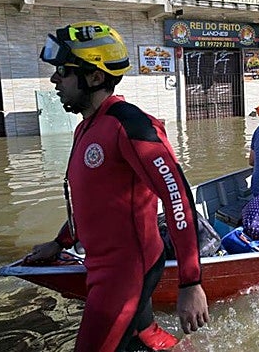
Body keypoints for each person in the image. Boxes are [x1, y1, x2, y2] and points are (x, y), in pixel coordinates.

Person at [25, 21, 209, 352]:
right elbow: (94, 201)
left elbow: (178, 198)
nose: (54, 80)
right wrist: (60, 242)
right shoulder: (87, 127)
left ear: (95, 77)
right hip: (103, 266)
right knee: (140, 335)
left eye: (63, 72)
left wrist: (191, 282)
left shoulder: (131, 126)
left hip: (126, 272)